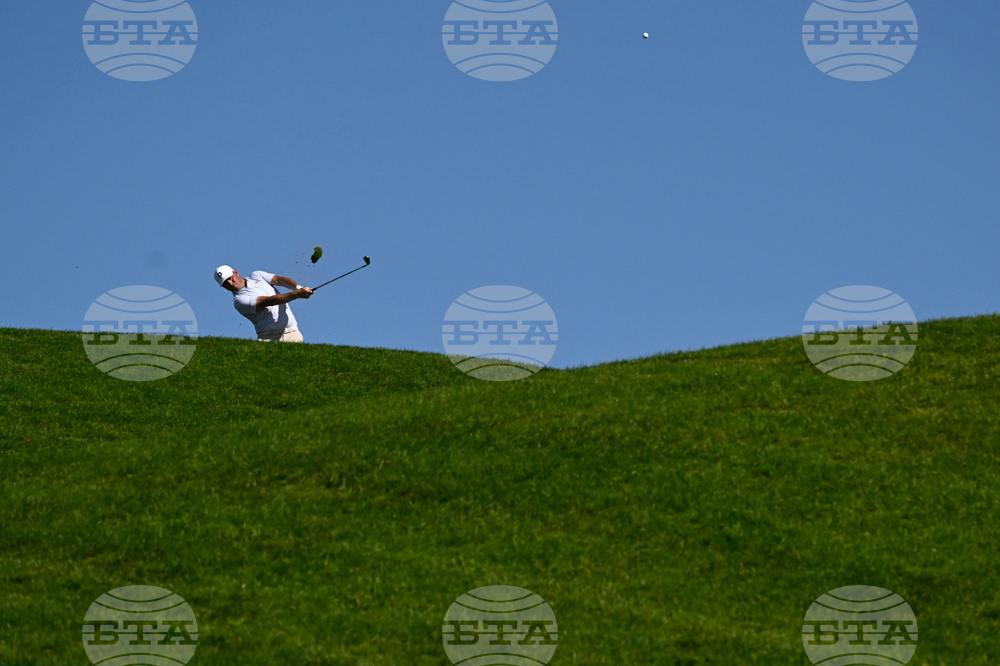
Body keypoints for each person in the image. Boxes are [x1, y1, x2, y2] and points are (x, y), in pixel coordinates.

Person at [214, 265, 314, 342]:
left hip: (293, 333)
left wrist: (298, 288)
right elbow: (269, 301)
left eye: (230, 278)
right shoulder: (239, 301)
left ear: (235, 272)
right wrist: (296, 294)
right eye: (225, 284)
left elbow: (280, 280)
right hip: (269, 338)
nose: (230, 283)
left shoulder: (256, 275)